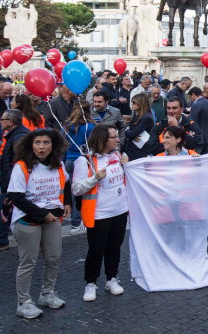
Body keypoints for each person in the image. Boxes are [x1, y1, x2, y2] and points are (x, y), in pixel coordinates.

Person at [7, 129, 71, 319]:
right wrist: (43, 214)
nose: (41, 147)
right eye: (37, 143)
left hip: (51, 218)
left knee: (53, 258)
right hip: (28, 221)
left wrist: (67, 201)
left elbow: (65, 182)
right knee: (28, 262)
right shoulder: (22, 166)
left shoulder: (57, 165)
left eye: (46, 143)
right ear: (30, 144)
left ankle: (47, 294)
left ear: (53, 145)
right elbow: (16, 197)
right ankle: (23, 302)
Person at [72, 126, 129, 302]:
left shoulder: (118, 156)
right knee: (96, 250)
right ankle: (91, 282)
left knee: (115, 247)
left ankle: (111, 278)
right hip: (100, 214)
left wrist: (127, 165)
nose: (118, 140)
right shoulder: (85, 161)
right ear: (103, 140)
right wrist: (94, 178)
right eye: (114, 137)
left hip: (119, 210)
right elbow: (76, 189)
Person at [60, 101, 96, 233]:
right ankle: (78, 221)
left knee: (71, 191)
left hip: (69, 160)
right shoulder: (90, 126)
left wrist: (63, 160)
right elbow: (92, 145)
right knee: (81, 192)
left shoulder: (66, 125)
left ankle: (74, 223)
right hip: (82, 162)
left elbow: (62, 145)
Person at [0, 109, 32, 251]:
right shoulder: (17, 134)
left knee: (5, 208)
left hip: (14, 182)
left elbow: (20, 161)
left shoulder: (19, 136)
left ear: (10, 122)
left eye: (2, 120)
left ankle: (3, 241)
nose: (1, 122)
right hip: (11, 179)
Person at [121, 93, 156, 160]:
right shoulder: (137, 115)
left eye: (134, 102)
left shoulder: (146, 117)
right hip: (131, 149)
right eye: (132, 102)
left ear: (140, 103)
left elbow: (132, 134)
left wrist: (127, 129)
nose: (132, 104)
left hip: (138, 151)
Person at [188, 86, 208, 154]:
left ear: (193, 95)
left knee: (195, 158)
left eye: (190, 97)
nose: (191, 99)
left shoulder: (196, 105)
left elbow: (193, 122)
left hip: (200, 137)